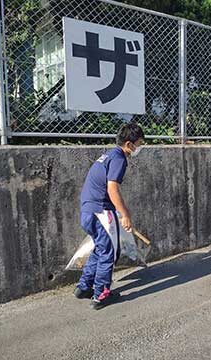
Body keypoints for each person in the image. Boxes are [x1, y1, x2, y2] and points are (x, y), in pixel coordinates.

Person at [74, 123, 144, 310]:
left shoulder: (108, 155)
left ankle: (84, 287)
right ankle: (101, 295)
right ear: (129, 144)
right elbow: (112, 188)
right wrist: (125, 214)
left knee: (100, 249)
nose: (140, 147)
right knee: (109, 253)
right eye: (139, 143)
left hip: (88, 211)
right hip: (101, 212)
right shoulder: (119, 158)